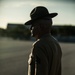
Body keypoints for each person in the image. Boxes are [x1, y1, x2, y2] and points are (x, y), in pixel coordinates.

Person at [24, 6, 62, 75]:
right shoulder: (56, 43)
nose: (30, 28)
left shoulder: (39, 45)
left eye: (33, 25)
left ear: (41, 27)